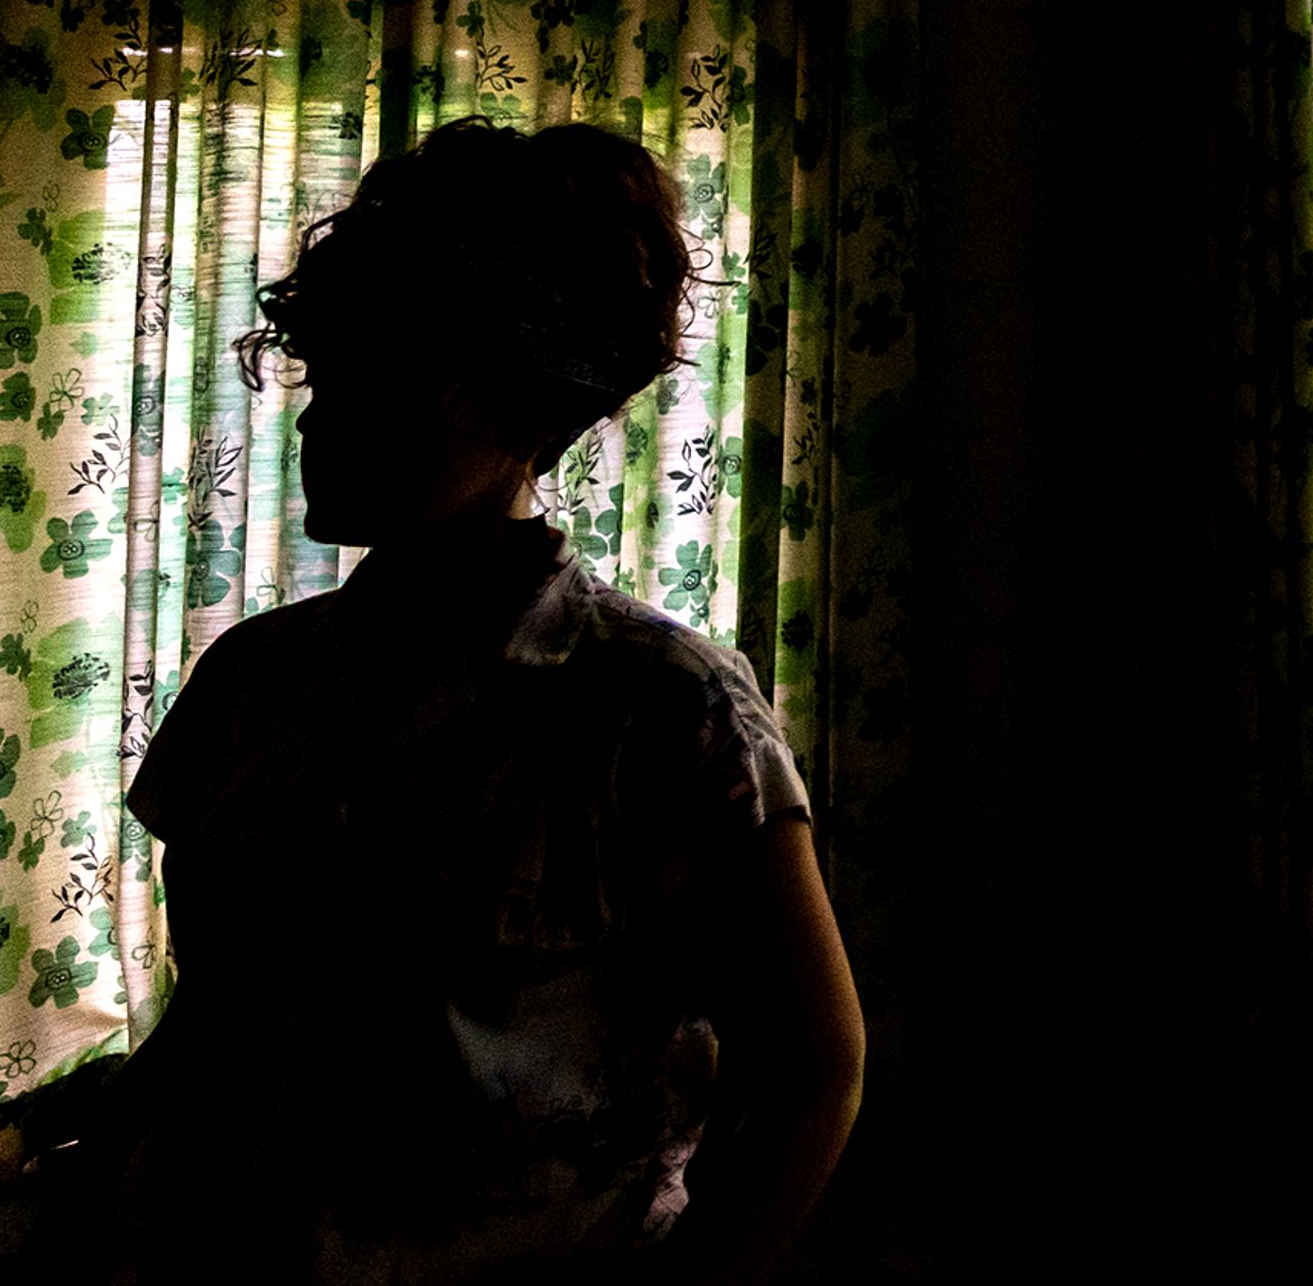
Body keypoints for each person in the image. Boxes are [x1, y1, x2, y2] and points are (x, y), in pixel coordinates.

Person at [75, 119, 863, 1283]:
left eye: (391, 379)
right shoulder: (251, 683)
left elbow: (817, 1068)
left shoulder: (668, 710)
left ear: (529, 410)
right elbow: (231, 1007)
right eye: (328, 373)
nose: (317, 419)